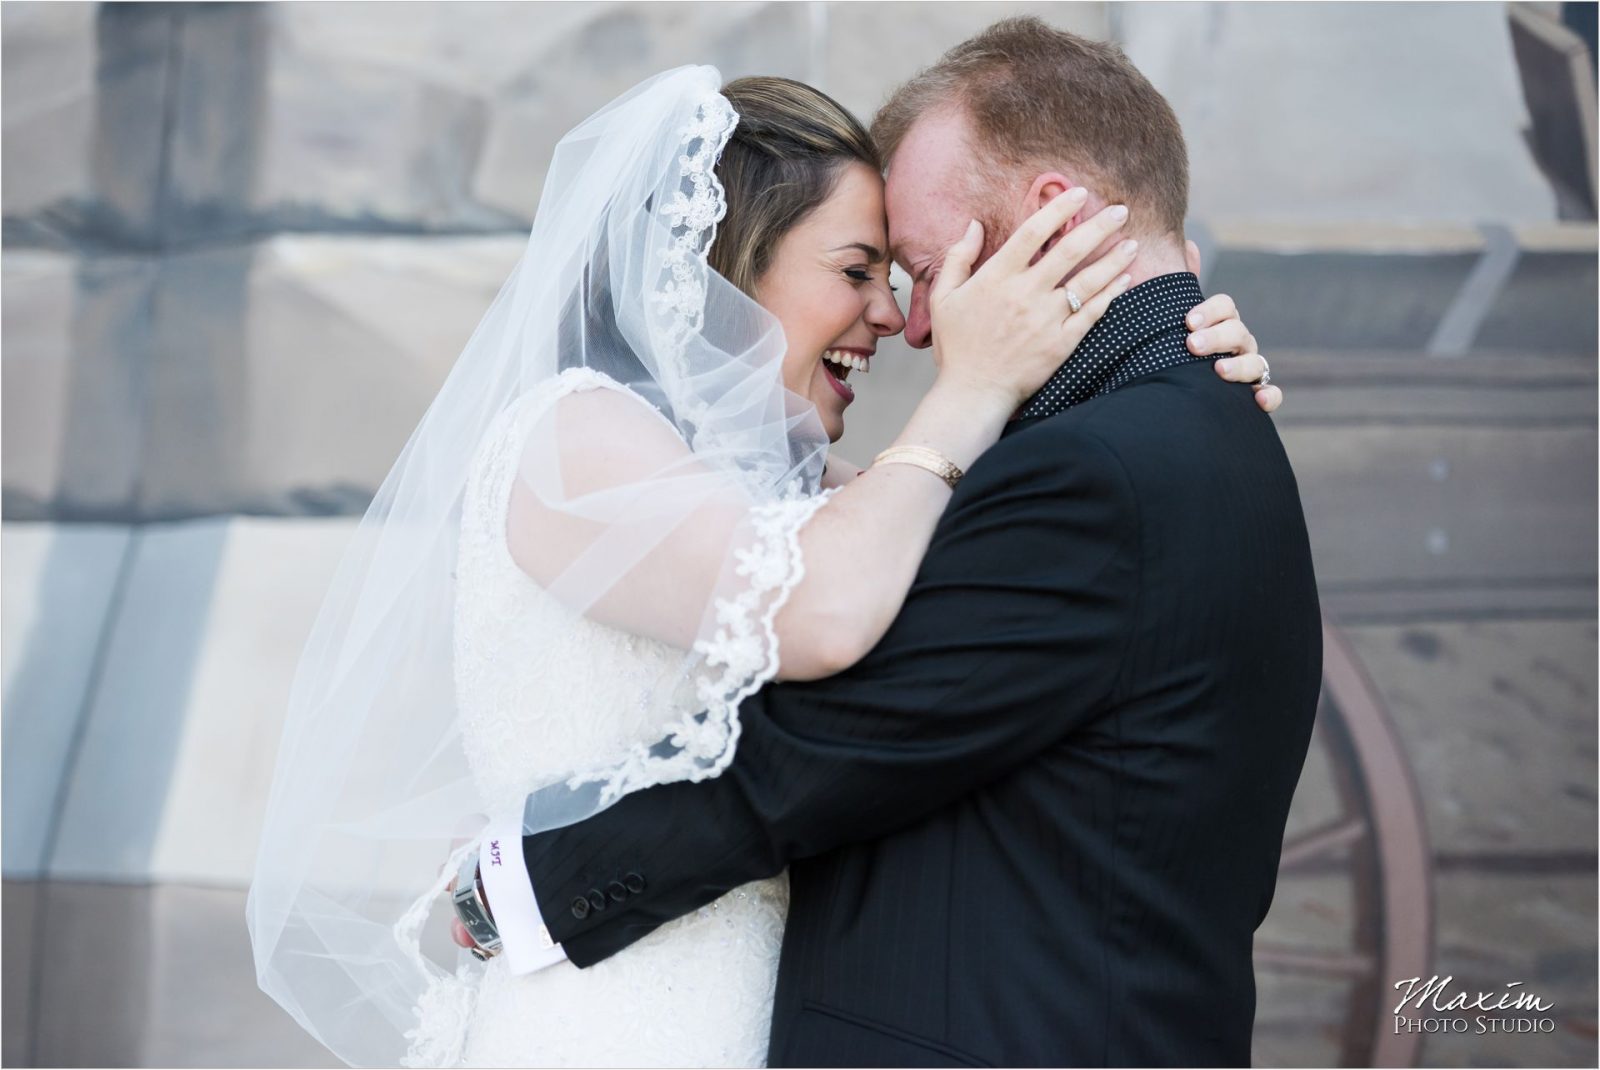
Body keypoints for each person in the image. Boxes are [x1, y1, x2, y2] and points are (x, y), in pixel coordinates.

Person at [248, 53, 1280, 1070]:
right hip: (620, 1015)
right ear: (726, 270)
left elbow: (968, 585)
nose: (900, 319)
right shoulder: (575, 439)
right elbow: (828, 614)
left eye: (903, 272)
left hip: (757, 1004)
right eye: (859, 271)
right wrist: (975, 391)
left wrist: (1169, 337)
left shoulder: (842, 491)